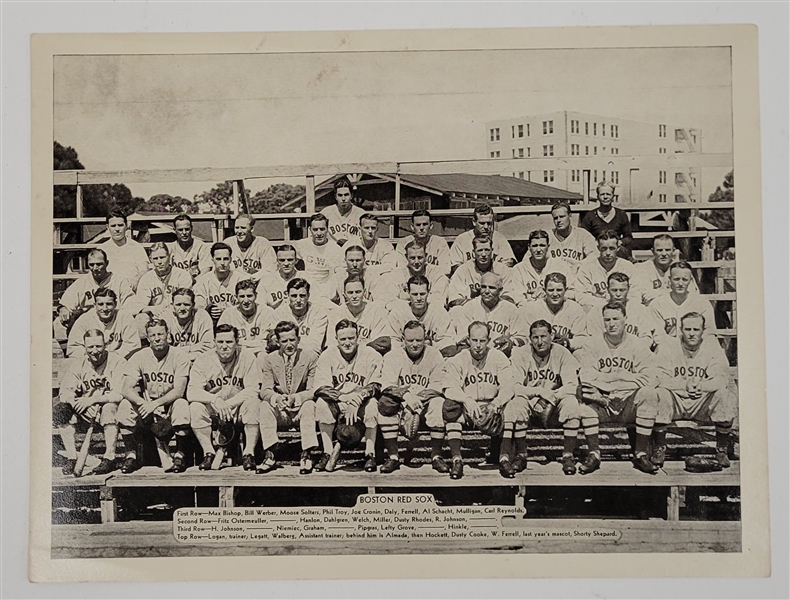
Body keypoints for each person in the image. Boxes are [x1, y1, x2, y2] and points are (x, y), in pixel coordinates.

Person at [575, 302, 662, 474]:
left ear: (625, 320)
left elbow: (652, 377)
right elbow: (586, 376)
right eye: (607, 319)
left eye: (616, 319)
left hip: (628, 403)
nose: (612, 323)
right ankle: (594, 454)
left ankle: (640, 454)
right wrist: (623, 376)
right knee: (585, 398)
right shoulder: (592, 344)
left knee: (649, 393)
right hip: (602, 401)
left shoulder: (637, 344)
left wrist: (612, 381)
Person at [438, 321, 524, 480]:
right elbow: (449, 388)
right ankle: (457, 460)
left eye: (482, 341)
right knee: (451, 409)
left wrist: (497, 403)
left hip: (492, 406)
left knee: (511, 407)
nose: (478, 345)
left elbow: (508, 387)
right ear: (468, 340)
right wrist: (466, 400)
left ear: (489, 340)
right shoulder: (459, 359)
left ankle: (504, 458)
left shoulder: (498, 357)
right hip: (469, 408)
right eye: (474, 340)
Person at [653, 312, 738, 469]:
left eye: (696, 329)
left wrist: (701, 386)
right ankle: (660, 448)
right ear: (681, 329)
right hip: (676, 401)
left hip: (701, 401)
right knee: (660, 394)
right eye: (687, 329)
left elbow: (721, 379)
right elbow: (658, 378)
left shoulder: (712, 348)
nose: (691, 333)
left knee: (724, 395)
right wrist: (683, 386)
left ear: (703, 330)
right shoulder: (668, 347)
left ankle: (721, 450)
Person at [511, 320, 587, 475]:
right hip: (531, 401)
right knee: (517, 403)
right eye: (535, 337)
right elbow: (514, 386)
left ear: (552, 335)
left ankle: (568, 456)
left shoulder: (561, 352)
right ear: (530, 338)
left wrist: (551, 396)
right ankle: (521, 455)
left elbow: (572, 384)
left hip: (554, 402)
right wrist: (538, 392)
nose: (540, 342)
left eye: (544, 336)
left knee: (571, 403)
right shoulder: (520, 353)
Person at [117, 319, 192, 474]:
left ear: (168, 335)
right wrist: (144, 404)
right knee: (125, 406)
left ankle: (180, 454)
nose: (157, 338)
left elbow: (178, 390)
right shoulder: (139, 356)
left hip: (170, 406)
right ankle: (130, 455)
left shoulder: (180, 355)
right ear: (148, 338)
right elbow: (126, 388)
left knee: (182, 405)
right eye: (152, 335)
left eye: (160, 334)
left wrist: (155, 404)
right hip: (147, 408)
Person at [186, 324, 263, 470]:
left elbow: (253, 389)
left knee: (254, 404)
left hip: (238, 407)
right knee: (195, 407)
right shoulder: (203, 360)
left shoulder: (247, 357)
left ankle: (249, 453)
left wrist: (228, 404)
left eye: (229, 342)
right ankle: (209, 452)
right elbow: (192, 392)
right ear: (214, 342)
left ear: (237, 342)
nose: (224, 346)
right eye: (220, 342)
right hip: (214, 408)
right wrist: (215, 400)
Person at [53, 329, 127, 476]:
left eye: (98, 346)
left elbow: (119, 394)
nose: (94, 351)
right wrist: (77, 403)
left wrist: (92, 400)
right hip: (86, 413)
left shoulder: (118, 362)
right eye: (90, 347)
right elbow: (65, 393)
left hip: (111, 411)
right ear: (85, 348)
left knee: (109, 408)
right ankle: (72, 457)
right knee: (61, 410)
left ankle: (109, 458)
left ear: (105, 344)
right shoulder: (78, 365)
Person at [313, 320, 383, 473]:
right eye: (343, 339)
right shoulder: (327, 355)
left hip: (361, 402)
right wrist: (343, 397)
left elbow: (376, 385)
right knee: (320, 404)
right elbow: (320, 388)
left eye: (351, 338)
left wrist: (359, 397)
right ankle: (328, 452)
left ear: (358, 338)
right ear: (336, 339)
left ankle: (369, 454)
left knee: (372, 406)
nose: (347, 342)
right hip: (338, 402)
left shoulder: (371, 354)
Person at [378, 320, 447, 473]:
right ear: (403, 339)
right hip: (402, 404)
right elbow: (387, 385)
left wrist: (417, 399)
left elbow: (438, 386)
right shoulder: (393, 356)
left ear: (426, 339)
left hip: (425, 404)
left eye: (419, 340)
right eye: (410, 340)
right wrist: (407, 396)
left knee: (439, 403)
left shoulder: (434, 354)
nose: (415, 344)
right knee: (385, 404)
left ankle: (436, 456)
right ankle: (393, 457)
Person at [257, 321, 321, 474]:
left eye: (292, 340)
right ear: (278, 342)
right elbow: (265, 390)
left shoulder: (310, 357)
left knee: (309, 405)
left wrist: (296, 398)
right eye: (284, 341)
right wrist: (277, 398)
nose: (289, 344)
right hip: (281, 410)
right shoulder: (269, 359)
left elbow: (313, 390)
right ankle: (270, 454)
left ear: (298, 339)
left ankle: (306, 454)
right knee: (265, 406)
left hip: (300, 408)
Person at [56, 248, 135, 329]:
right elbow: (66, 303)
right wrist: (63, 309)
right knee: (58, 322)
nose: (95, 268)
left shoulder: (119, 281)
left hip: (113, 321)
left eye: (99, 264)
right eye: (91, 264)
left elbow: (130, 305)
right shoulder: (82, 282)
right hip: (88, 322)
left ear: (107, 263)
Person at [455, 272, 529, 357]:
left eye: (491, 288)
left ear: (500, 290)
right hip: (475, 358)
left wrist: (511, 342)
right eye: (483, 287)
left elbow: (523, 337)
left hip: (502, 357)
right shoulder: (469, 307)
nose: (486, 291)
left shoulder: (510, 309)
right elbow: (462, 340)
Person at [649, 261, 716, 349]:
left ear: (691, 280)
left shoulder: (702, 304)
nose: (680, 284)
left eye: (684, 280)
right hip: (668, 350)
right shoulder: (657, 304)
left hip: (695, 350)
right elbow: (658, 336)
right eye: (676, 279)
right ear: (669, 279)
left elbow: (709, 333)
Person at [130, 242, 193, 334]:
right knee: (141, 318)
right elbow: (138, 305)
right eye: (155, 258)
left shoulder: (182, 275)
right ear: (151, 260)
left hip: (177, 315)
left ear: (169, 257)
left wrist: (166, 312)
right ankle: (145, 346)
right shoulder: (146, 278)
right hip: (155, 317)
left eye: (162, 257)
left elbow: (186, 301)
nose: (159, 262)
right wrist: (151, 309)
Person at [387, 275, 457, 356]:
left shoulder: (439, 312)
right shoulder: (397, 313)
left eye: (422, 294)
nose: (419, 298)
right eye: (415, 294)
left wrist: (428, 345)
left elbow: (448, 342)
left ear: (428, 292)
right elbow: (392, 342)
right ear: (408, 293)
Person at [583, 272, 656, 348]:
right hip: (605, 353)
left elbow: (646, 339)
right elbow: (595, 340)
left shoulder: (640, 310)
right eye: (614, 290)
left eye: (622, 290)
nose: (618, 294)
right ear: (607, 290)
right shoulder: (596, 311)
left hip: (633, 352)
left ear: (628, 289)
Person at [328, 276, 394, 356]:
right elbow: (332, 344)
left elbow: (383, 343)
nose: (354, 296)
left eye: (358, 292)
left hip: (368, 357)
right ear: (344, 295)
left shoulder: (376, 310)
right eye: (350, 292)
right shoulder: (336, 313)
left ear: (364, 292)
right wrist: (368, 344)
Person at [574, 230, 639, 312]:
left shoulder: (628, 267)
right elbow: (581, 297)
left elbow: (635, 295)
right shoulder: (587, 268)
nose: (608, 253)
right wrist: (607, 303)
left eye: (612, 248)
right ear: (598, 248)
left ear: (618, 248)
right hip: (597, 310)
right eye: (604, 248)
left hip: (623, 310)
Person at [67, 288, 141, 359]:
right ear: (95, 305)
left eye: (109, 304)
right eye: (100, 304)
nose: (105, 309)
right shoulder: (85, 320)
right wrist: (92, 358)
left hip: (119, 362)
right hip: (91, 362)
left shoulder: (125, 318)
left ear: (115, 304)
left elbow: (132, 346)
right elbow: (74, 347)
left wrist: (110, 358)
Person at [506, 230, 574, 307]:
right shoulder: (518, 270)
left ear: (548, 247)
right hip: (528, 312)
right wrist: (533, 298)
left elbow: (572, 292)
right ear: (529, 247)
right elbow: (517, 299)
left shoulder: (561, 266)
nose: (538, 250)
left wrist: (548, 295)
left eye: (542, 245)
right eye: (535, 246)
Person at [522, 273, 587, 351]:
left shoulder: (575, 309)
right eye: (551, 290)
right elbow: (525, 337)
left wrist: (568, 342)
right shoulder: (532, 308)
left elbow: (583, 339)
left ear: (565, 290)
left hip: (566, 353)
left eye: (559, 290)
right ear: (544, 290)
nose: (555, 294)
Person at [446, 235, 512, 311]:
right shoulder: (463, 270)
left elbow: (510, 298)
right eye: (480, 250)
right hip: (470, 311)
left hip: (497, 311)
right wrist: (479, 304)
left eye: (487, 250)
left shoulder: (502, 270)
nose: (483, 254)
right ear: (473, 252)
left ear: (492, 251)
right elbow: (454, 301)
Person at [632, 234, 698, 306]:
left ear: (673, 250)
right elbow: (643, 298)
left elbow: (692, 294)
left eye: (667, 250)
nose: (664, 254)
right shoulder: (642, 268)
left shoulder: (681, 268)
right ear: (652, 251)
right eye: (659, 250)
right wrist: (671, 293)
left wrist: (659, 293)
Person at [193, 242, 249, 325]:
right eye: (218, 259)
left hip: (237, 323)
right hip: (212, 325)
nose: (222, 263)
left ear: (230, 259)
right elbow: (198, 307)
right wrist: (209, 309)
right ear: (212, 260)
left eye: (226, 259)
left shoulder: (241, 279)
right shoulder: (203, 282)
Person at [448, 204, 516, 272]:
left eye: (489, 223)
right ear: (474, 222)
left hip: (494, 278)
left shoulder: (499, 238)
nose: (486, 227)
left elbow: (509, 263)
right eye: (482, 223)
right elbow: (455, 267)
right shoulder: (462, 239)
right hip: (469, 280)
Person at [218, 279, 277, 355]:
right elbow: (222, 340)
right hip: (237, 355)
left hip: (262, 353)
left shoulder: (267, 312)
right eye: (242, 296)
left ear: (256, 296)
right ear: (236, 297)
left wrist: (241, 344)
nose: (246, 300)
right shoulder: (228, 314)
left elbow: (274, 340)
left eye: (249, 296)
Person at [294, 214, 345, 301]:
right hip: (306, 285)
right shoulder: (301, 245)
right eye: (315, 229)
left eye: (322, 229)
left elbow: (338, 274)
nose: (319, 233)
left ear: (327, 229)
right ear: (310, 230)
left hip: (327, 287)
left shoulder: (336, 249)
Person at [271, 278, 329, 355]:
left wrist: (287, 343)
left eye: (302, 296)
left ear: (308, 296)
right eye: (294, 296)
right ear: (288, 296)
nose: (298, 300)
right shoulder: (280, 313)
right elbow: (274, 342)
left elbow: (315, 346)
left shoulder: (318, 313)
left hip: (309, 356)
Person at [385, 241, 449, 307]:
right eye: (412, 258)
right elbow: (390, 303)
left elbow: (438, 302)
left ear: (426, 256)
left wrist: (406, 297)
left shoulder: (436, 273)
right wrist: (424, 299)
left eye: (420, 257)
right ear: (406, 257)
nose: (416, 262)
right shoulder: (396, 275)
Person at [579, 182, 633, 260]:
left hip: (616, 252)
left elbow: (628, 237)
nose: (605, 197)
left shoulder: (621, 215)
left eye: (608, 194)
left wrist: (619, 242)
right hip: (597, 253)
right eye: (602, 194)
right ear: (598, 197)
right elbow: (583, 238)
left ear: (613, 196)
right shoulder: (590, 216)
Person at [99, 211, 150, 291]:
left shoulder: (136, 247)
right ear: (107, 227)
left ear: (126, 226)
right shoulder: (102, 249)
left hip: (131, 290)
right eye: (113, 226)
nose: (117, 229)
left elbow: (144, 270)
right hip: (108, 292)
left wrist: (136, 279)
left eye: (120, 225)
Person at [161, 288, 214, 362]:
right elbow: (162, 349)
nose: (182, 308)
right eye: (178, 305)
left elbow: (208, 346)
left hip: (197, 360)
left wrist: (183, 353)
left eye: (186, 304)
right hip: (172, 362)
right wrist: (194, 348)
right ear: (172, 306)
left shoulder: (202, 316)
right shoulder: (166, 317)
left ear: (193, 305)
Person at [395, 210, 451, 276]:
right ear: (412, 227)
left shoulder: (439, 242)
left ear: (431, 225)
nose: (421, 228)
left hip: (432, 280)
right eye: (418, 225)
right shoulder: (403, 243)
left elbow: (446, 269)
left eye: (425, 224)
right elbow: (402, 269)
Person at [259, 244, 313, 310]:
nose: (286, 263)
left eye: (290, 260)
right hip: (275, 318)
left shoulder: (306, 277)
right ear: (277, 261)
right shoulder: (267, 280)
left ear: (296, 260)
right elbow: (260, 305)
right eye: (282, 260)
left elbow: (316, 302)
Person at [547, 201, 598, 272]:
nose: (558, 220)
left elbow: (595, 256)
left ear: (570, 215)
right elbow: (528, 259)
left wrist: (580, 264)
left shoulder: (583, 234)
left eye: (562, 217)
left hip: (576, 276)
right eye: (555, 218)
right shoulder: (547, 236)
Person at [320, 177, 366, 246]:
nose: (343, 198)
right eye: (340, 195)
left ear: (351, 196)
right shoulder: (326, 213)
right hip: (332, 252)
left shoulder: (361, 214)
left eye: (346, 195)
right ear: (335, 197)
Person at [168, 213, 212, 279]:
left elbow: (205, 271)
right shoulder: (170, 248)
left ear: (191, 228)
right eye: (180, 230)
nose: (184, 233)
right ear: (175, 230)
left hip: (197, 284)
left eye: (187, 229)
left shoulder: (202, 247)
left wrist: (190, 283)